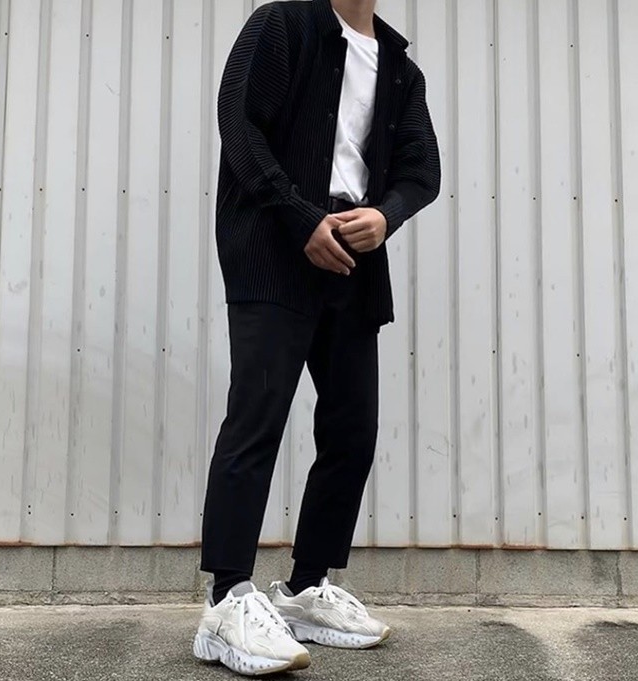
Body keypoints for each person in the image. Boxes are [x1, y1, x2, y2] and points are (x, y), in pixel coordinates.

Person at [193, 0, 440, 675]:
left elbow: (423, 169)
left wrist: (385, 215)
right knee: (257, 417)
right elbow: (239, 124)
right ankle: (225, 601)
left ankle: (305, 588)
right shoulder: (282, 25)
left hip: (353, 258)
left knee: (352, 429)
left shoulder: (398, 67)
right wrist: (299, 216)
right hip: (274, 244)